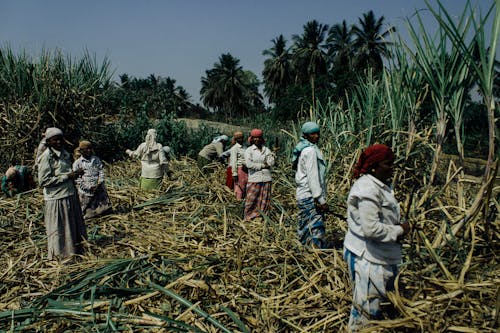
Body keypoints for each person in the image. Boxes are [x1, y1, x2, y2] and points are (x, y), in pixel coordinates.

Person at [343, 144, 410, 332]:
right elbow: (371, 229)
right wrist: (400, 230)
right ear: (374, 166)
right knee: (366, 312)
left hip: (373, 253)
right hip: (369, 258)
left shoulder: (376, 185)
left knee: (374, 307)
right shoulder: (368, 190)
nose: (392, 168)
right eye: (387, 164)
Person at [38, 127, 87, 260]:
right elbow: (43, 181)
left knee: (71, 225)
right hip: (56, 198)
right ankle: (60, 255)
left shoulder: (64, 153)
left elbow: (67, 171)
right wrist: (67, 176)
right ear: (48, 142)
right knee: (59, 228)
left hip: (69, 194)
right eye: (55, 140)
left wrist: (76, 174)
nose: (59, 142)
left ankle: (75, 251)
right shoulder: (46, 157)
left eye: (60, 139)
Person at [293, 121, 328, 248]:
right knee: (315, 227)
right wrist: (320, 199)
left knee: (305, 226)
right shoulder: (310, 151)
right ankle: (316, 253)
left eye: (318, 133)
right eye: (313, 134)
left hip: (303, 194)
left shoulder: (304, 149)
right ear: (306, 135)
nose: (317, 136)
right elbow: (313, 177)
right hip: (310, 195)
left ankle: (305, 250)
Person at [73, 140, 112, 219]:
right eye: (86, 149)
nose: (89, 150)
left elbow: (101, 171)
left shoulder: (96, 159)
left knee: (102, 206)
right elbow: (77, 180)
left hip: (98, 186)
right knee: (85, 207)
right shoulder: (77, 163)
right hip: (86, 189)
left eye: (90, 148)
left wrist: (99, 183)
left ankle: (99, 215)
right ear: (81, 151)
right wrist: (88, 187)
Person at [244, 129, 275, 220]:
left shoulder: (267, 150)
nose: (257, 140)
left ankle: (261, 217)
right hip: (254, 178)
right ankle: (248, 217)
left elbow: (271, 163)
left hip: (266, 178)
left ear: (262, 139)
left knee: (264, 200)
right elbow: (249, 164)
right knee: (251, 199)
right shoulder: (249, 150)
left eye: (258, 138)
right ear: (252, 139)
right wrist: (263, 165)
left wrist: (273, 154)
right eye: (255, 138)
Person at [229, 131, 248, 200]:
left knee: (245, 186)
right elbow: (233, 161)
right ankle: (238, 201)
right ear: (236, 139)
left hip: (246, 169)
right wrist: (234, 173)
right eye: (239, 138)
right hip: (240, 169)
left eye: (242, 138)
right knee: (239, 187)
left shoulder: (245, 147)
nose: (241, 139)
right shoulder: (235, 148)